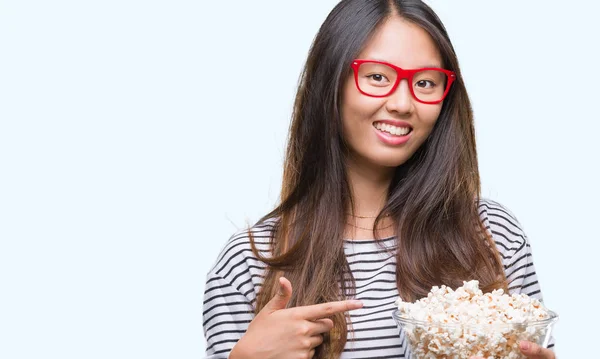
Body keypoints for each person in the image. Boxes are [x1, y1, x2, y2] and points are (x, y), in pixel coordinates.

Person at [202, 0, 555, 358]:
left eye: (426, 82)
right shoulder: (250, 263)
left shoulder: (491, 235)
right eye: (377, 77)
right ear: (330, 84)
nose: (403, 103)